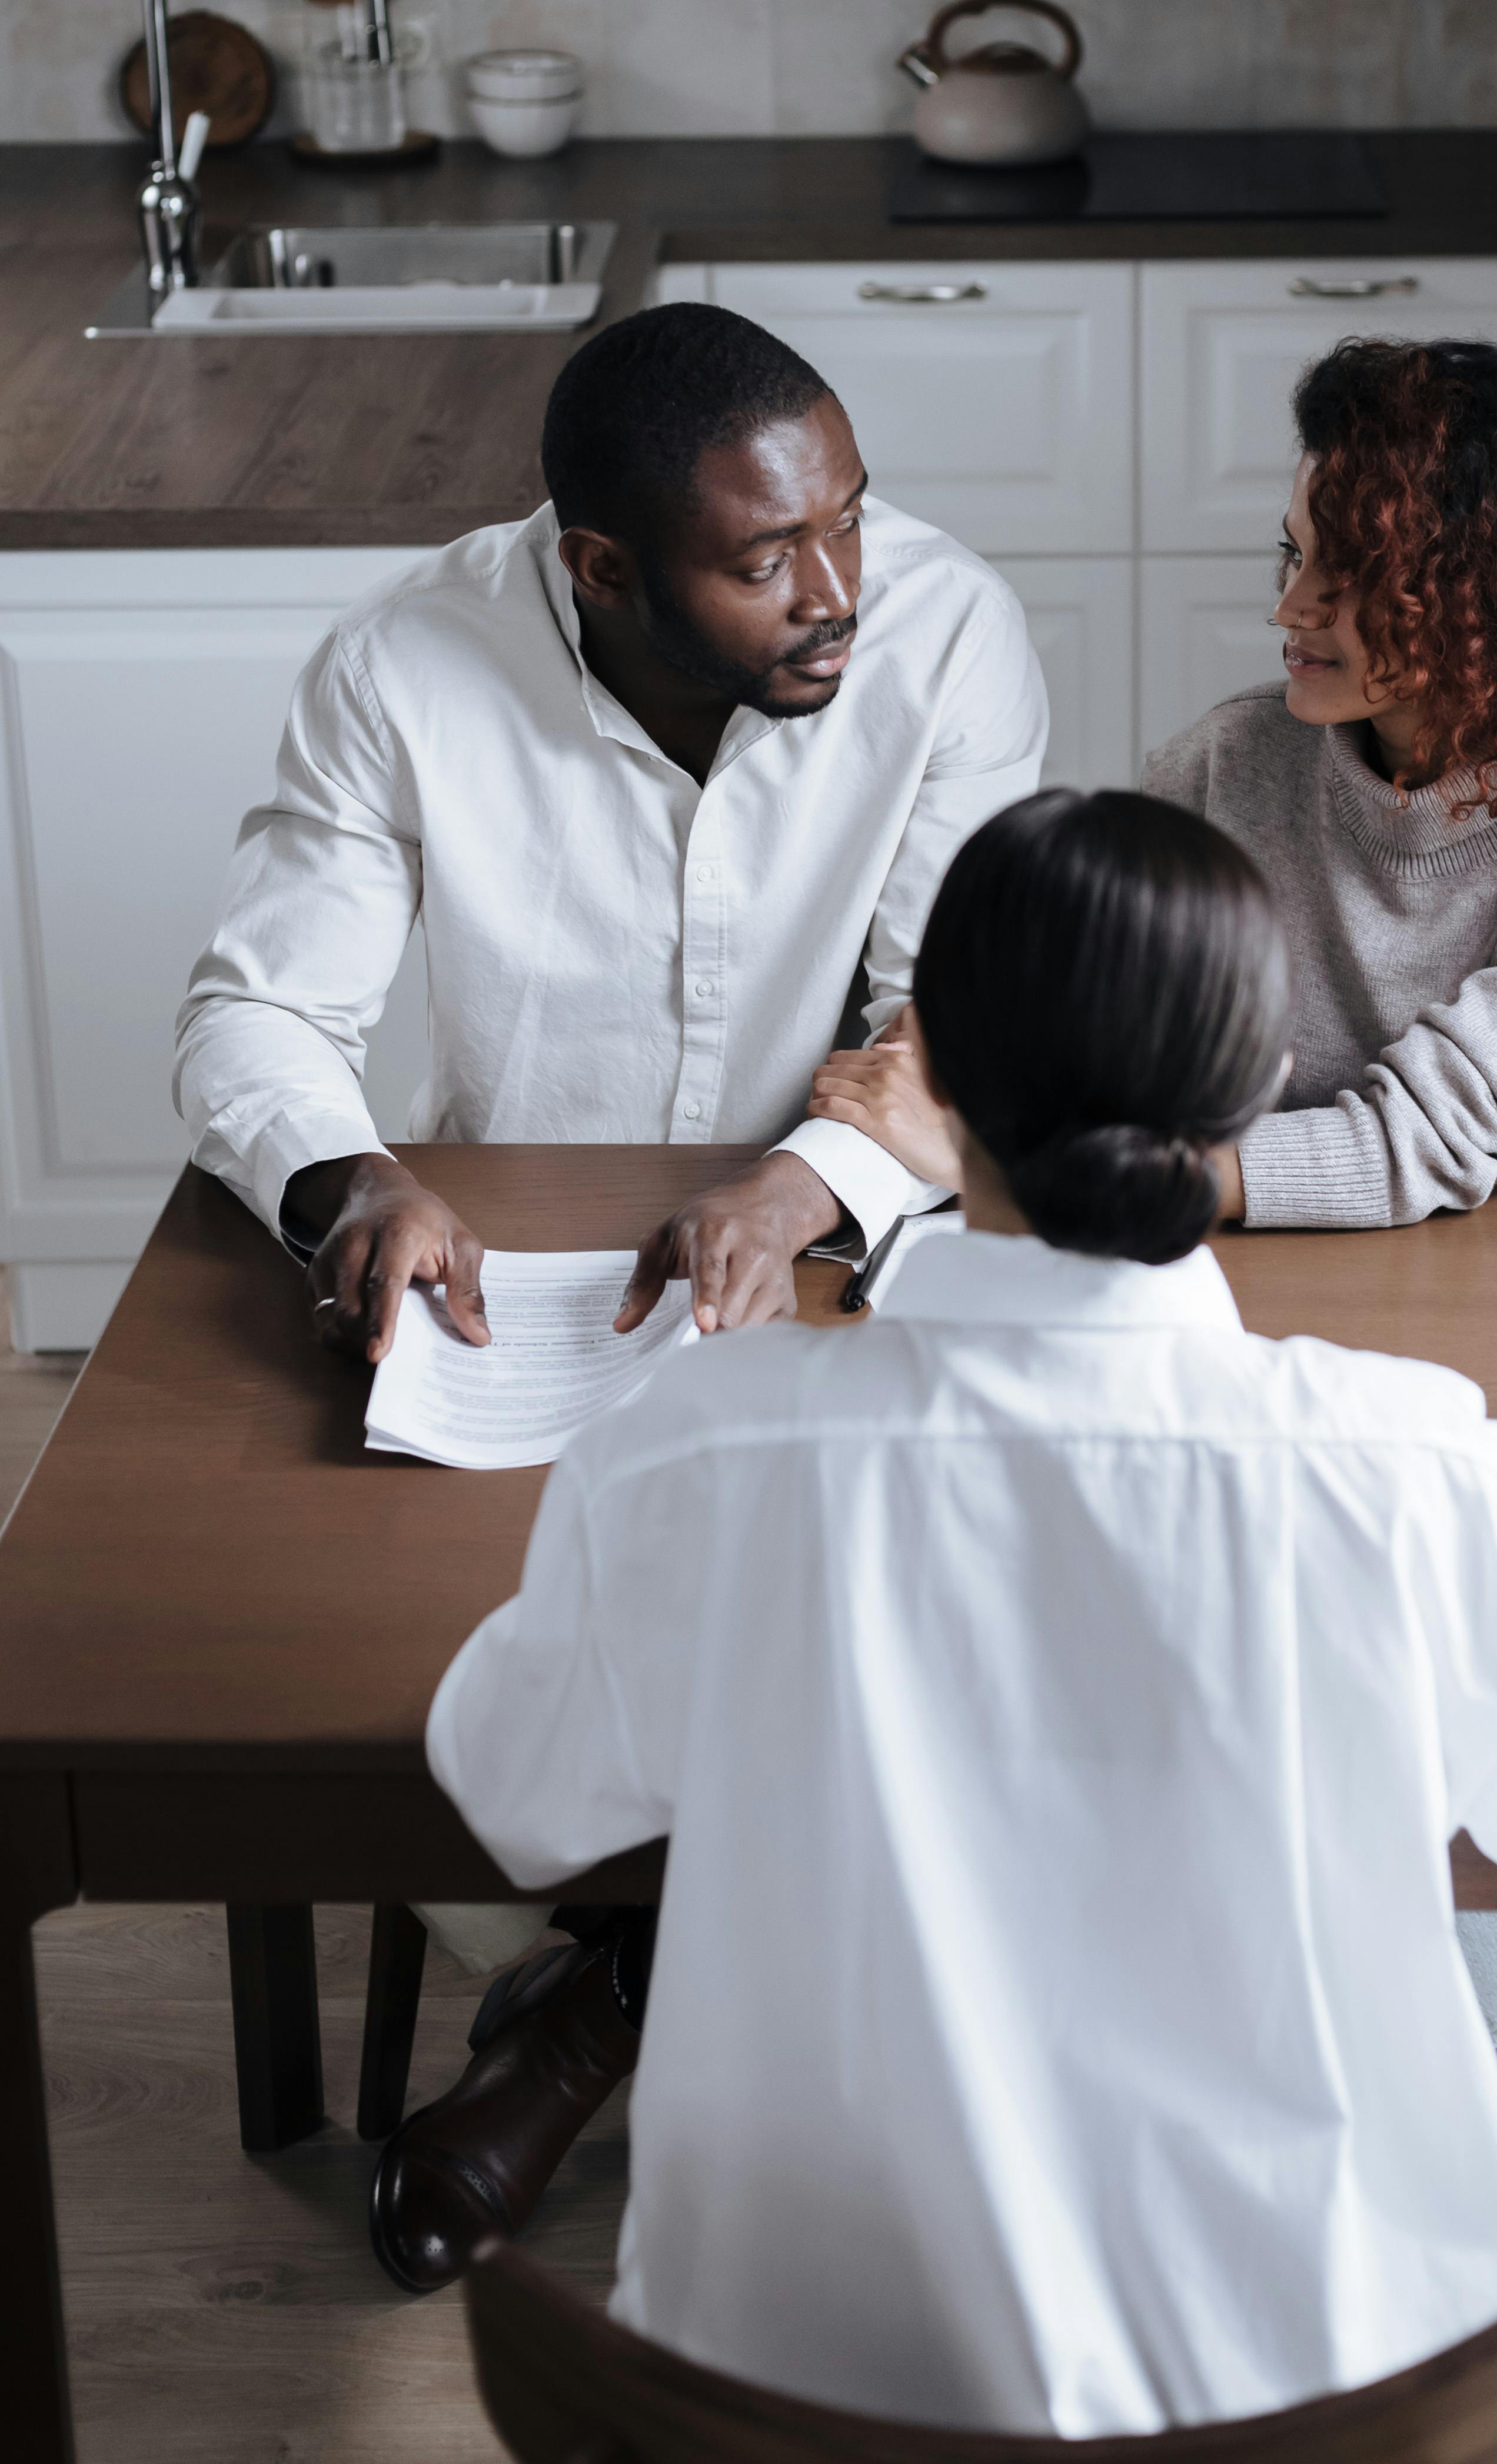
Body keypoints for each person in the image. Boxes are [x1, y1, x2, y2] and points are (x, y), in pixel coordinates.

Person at [430, 790, 1497, 2442]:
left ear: (918, 1069)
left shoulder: (696, 1448)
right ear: (1249, 1087)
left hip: (791, 2412)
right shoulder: (1412, 1467)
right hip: (1348, 2407)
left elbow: (513, 1784)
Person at [804, 342, 1497, 2432]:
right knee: (1321, 1704)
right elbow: (1066, 975)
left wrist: (1115, 1162)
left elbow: (1454, 1128)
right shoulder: (1224, 764)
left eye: (1341, 576)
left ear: (1485, 596)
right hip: (1295, 1356)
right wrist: (915, 1073)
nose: (1288, 605)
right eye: (1292, 556)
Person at [172, 298, 1047, 2291]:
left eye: (850, 522)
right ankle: (660, 1992)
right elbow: (255, 1013)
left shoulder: (946, 627)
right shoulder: (403, 668)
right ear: (598, 568)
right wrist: (349, 1181)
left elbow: (954, 1016)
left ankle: (587, 2024)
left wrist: (806, 1181)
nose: (839, 591)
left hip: (846, 1281)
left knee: (895, 1662)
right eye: (765, 561)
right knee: (413, 1694)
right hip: (505, 1327)